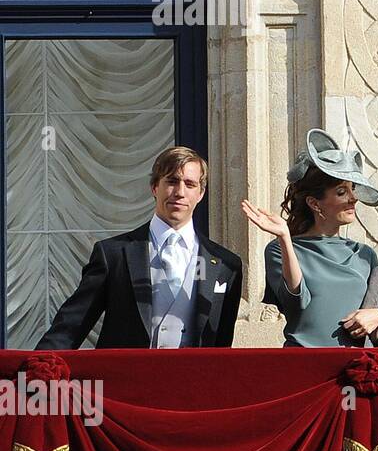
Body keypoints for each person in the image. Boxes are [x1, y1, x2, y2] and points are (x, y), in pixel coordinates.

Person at [36, 146, 243, 350]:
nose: (180, 192)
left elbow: (221, 343)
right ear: (154, 187)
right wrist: (36, 370)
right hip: (126, 380)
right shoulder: (113, 254)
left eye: (189, 184)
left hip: (193, 381)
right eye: (171, 181)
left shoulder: (226, 265)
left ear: (201, 193)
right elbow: (71, 325)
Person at [243, 129, 378, 347]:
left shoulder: (365, 255)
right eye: (341, 192)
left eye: (353, 190)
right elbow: (296, 302)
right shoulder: (279, 249)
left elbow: (376, 335)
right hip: (304, 368)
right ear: (314, 203)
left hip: (356, 371)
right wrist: (284, 237)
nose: (353, 199)